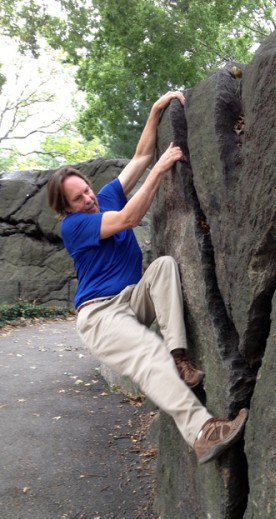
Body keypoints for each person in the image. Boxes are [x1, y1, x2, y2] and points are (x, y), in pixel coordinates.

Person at [47, 91, 248, 465]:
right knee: (145, 350)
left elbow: (140, 156)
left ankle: (179, 359)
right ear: (66, 208)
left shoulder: (106, 196)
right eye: (77, 198)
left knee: (164, 267)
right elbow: (127, 219)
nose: (88, 199)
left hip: (129, 300)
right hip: (101, 317)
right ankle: (203, 432)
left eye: (86, 190)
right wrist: (160, 170)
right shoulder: (75, 227)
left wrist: (156, 110)